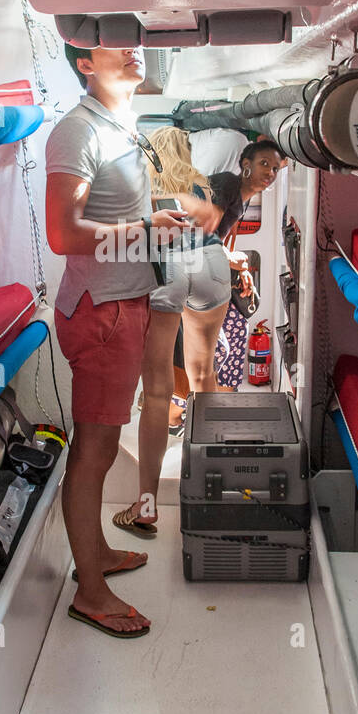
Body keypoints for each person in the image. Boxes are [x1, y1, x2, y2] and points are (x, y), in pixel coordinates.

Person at [45, 44, 207, 638]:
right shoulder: (76, 131)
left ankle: (99, 554)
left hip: (125, 303)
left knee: (103, 449)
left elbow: (117, 218)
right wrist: (145, 230)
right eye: (113, 41)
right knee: (92, 454)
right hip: (102, 313)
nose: (135, 48)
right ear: (85, 64)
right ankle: (91, 592)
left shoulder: (121, 125)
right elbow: (63, 233)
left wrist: (163, 218)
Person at [111, 127, 230, 538]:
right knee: (202, 375)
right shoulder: (200, 185)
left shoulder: (143, 182)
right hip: (214, 263)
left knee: (158, 391)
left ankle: (146, 505)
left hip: (170, 265)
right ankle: (214, 492)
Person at [210, 141, 286, 391]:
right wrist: (233, 261)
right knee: (217, 349)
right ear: (246, 165)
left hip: (206, 268)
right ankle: (176, 411)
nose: (270, 173)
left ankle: (224, 394)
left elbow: (214, 243)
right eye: (264, 163)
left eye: (275, 168)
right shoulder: (227, 185)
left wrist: (238, 268)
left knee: (237, 325)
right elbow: (198, 236)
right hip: (187, 273)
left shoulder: (242, 201)